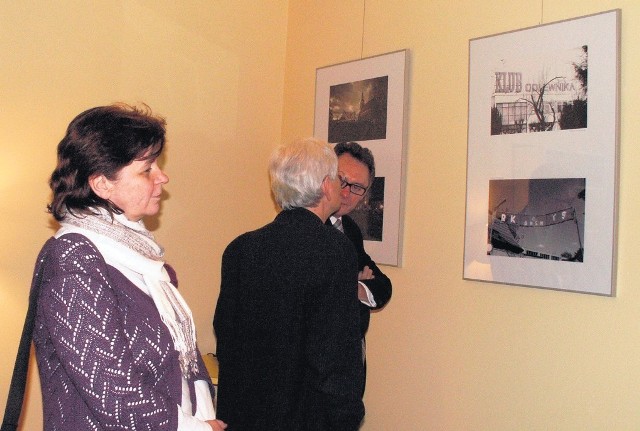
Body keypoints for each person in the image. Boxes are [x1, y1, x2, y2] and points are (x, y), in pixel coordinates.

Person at [31, 104, 226, 431]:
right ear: (102, 184)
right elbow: (112, 390)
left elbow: (181, 363)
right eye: (146, 169)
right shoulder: (73, 258)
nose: (162, 177)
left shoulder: (143, 261)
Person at [213, 138, 365, 430]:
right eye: (336, 178)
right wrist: (347, 416)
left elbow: (226, 333)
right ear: (324, 185)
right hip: (304, 416)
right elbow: (335, 353)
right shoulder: (334, 251)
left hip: (243, 413)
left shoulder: (240, 248)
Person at [328, 141, 392, 389]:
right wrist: (351, 283)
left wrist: (354, 288)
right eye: (341, 180)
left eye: (356, 187)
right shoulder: (305, 229)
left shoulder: (350, 229)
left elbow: (383, 287)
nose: (346, 193)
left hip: (348, 374)